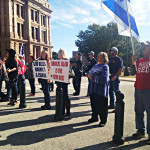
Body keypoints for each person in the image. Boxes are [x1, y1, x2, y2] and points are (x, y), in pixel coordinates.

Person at [131, 41, 150, 145]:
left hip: (148, 89)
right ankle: (140, 131)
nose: (143, 49)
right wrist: (133, 62)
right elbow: (133, 73)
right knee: (138, 111)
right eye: (142, 48)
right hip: (138, 88)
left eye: (145, 48)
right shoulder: (140, 61)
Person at [88, 52, 109, 127]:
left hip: (101, 89)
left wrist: (93, 77)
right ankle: (94, 117)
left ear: (103, 58)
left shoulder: (105, 66)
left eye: (99, 56)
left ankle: (103, 120)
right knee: (93, 104)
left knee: (102, 106)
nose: (97, 57)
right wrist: (91, 75)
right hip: (93, 88)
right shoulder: (95, 65)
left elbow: (104, 78)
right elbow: (89, 72)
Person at [56, 49, 71, 119]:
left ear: (61, 53)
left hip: (64, 81)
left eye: (58, 53)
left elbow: (68, 70)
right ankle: (62, 111)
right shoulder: (58, 61)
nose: (57, 54)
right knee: (61, 96)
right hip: (59, 81)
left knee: (65, 96)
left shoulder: (66, 60)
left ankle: (68, 112)